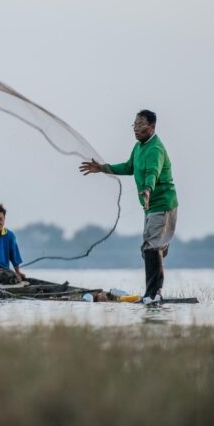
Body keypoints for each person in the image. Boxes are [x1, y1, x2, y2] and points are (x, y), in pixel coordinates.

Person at [79, 109, 178, 304]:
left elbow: (153, 172)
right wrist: (102, 168)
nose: (136, 129)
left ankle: (153, 294)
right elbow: (128, 167)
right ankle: (155, 291)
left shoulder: (155, 149)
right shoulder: (138, 147)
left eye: (140, 125)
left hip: (162, 203)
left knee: (151, 247)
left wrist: (148, 189)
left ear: (152, 127)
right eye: (134, 125)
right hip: (150, 207)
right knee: (151, 248)